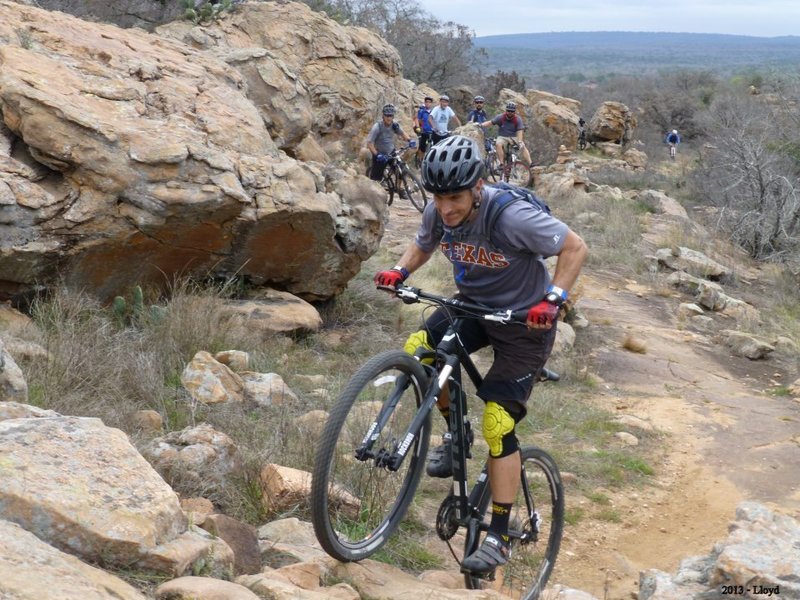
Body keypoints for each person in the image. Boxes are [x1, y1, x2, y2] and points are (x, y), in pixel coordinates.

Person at [373, 135, 588, 574]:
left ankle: (500, 534)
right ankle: (455, 437)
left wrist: (553, 299)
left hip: (525, 325)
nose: (445, 208)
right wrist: (400, 270)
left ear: (477, 187)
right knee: (422, 349)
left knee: (499, 423)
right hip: (472, 307)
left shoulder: (512, 217)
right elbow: (424, 242)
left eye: (454, 197)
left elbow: (575, 247)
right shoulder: (438, 212)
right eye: (438, 197)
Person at [366, 104, 414, 182]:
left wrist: (409, 140)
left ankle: (400, 189)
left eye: (390, 116)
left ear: (393, 116)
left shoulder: (394, 125)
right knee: (375, 179)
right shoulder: (377, 127)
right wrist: (377, 154)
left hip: (391, 152)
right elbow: (369, 143)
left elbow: (402, 133)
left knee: (401, 171)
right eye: (387, 115)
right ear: (383, 115)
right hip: (380, 153)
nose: (389, 118)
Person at [479, 101, 532, 169]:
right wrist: (480, 125)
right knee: (498, 144)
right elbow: (490, 122)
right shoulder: (500, 117)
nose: (510, 113)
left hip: (513, 137)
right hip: (502, 136)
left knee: (523, 146)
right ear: (506, 110)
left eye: (512, 111)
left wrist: (520, 141)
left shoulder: (517, 119)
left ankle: (530, 163)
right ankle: (501, 164)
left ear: (514, 112)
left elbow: (520, 131)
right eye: (508, 111)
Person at [413, 96, 435, 164]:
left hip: (432, 132)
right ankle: (421, 161)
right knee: (422, 147)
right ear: (424, 103)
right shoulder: (422, 111)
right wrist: (417, 127)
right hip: (424, 131)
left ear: (431, 103)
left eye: (429, 102)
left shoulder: (434, 111)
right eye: (426, 102)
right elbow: (417, 119)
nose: (428, 103)